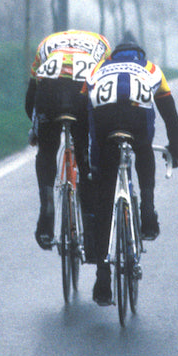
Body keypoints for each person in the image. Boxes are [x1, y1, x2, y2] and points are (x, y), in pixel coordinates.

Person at [83, 34, 178, 306]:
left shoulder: (97, 69)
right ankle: (148, 211)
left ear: (114, 55)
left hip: (104, 123)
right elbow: (170, 115)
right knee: (143, 149)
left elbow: (86, 115)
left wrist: (91, 164)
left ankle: (103, 276)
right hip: (137, 120)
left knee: (104, 200)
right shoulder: (151, 69)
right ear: (140, 53)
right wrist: (175, 148)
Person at [25, 29, 111, 249]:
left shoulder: (46, 42)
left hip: (50, 91)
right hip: (81, 90)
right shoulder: (102, 43)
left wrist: (38, 129)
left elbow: (32, 92)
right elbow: (105, 85)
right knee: (85, 157)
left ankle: (47, 210)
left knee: (46, 150)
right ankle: (91, 231)